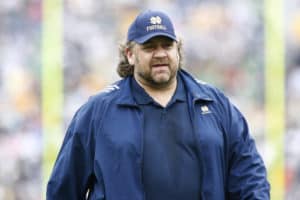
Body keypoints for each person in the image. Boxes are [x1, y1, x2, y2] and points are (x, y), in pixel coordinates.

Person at [47, 10, 270, 200]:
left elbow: (249, 175)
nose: (160, 53)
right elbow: (64, 188)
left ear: (177, 50)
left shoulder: (215, 104)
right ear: (130, 55)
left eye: (167, 45)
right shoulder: (98, 112)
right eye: (149, 47)